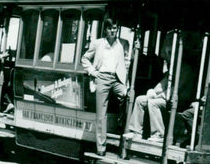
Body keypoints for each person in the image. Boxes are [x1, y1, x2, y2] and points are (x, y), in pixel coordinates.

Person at [127, 35, 196, 143]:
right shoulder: (173, 67)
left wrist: (158, 95)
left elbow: (176, 88)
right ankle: (136, 132)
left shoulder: (185, 69)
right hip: (166, 97)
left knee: (153, 103)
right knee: (140, 99)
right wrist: (152, 91)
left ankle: (159, 134)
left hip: (180, 100)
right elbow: (163, 83)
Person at [81, 18, 127, 156]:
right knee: (101, 114)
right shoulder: (98, 44)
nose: (113, 31)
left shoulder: (122, 44)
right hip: (102, 78)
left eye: (115, 28)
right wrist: (93, 72)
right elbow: (85, 58)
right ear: (105, 30)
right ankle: (101, 148)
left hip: (117, 79)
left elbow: (127, 61)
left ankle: (121, 126)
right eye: (110, 28)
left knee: (127, 96)